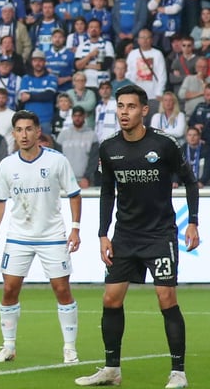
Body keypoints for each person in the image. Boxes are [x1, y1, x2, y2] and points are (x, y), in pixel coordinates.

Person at [75, 84, 200, 389]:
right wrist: (103, 234)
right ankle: (111, 369)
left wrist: (193, 222)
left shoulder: (166, 145)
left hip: (160, 234)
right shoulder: (109, 147)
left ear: (145, 110)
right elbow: (107, 193)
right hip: (125, 235)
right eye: (120, 106)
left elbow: (191, 182)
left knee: (166, 297)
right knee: (111, 299)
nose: (124, 113)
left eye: (130, 107)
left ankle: (178, 373)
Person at [0, 110, 82, 365]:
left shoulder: (56, 161)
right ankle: (8, 346)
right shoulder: (7, 165)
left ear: (38, 132)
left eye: (29, 129)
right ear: (14, 133)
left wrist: (75, 228)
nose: (24, 135)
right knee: (9, 289)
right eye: (19, 130)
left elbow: (74, 194)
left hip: (51, 235)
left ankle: (69, 348)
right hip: (18, 236)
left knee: (62, 289)